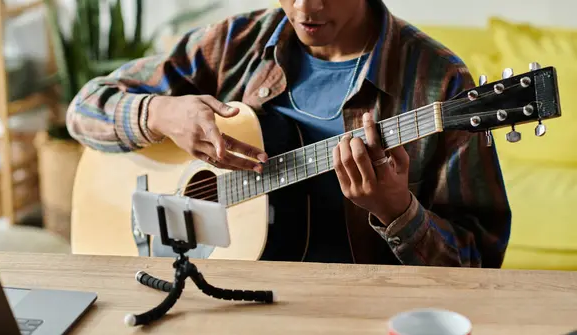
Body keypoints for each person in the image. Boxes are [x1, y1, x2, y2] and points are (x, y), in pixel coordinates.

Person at [65, 0, 512, 268]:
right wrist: (160, 112)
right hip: (218, 296)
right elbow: (83, 109)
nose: (303, 8)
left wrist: (398, 211)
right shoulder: (235, 43)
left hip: (356, 315)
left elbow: (479, 264)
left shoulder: (440, 83)